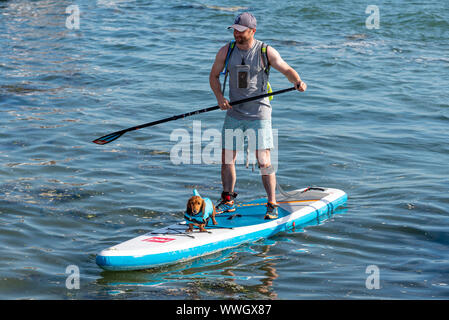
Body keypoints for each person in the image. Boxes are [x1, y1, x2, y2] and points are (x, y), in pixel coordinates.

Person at [209, 12, 307, 219]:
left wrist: (296, 81)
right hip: (234, 111)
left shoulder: (265, 51)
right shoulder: (226, 51)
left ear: (252, 31)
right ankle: (228, 200)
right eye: (234, 30)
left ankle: (271, 203)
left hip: (259, 113)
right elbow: (214, 75)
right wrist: (219, 97)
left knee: (263, 160)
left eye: (241, 31)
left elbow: (286, 69)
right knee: (227, 158)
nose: (237, 34)